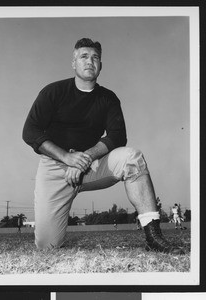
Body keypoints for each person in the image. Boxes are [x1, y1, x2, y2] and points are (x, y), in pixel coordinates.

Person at [23, 38, 184, 254]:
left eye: (95, 57)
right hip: (55, 169)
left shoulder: (108, 98)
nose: (90, 61)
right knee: (47, 245)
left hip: (92, 166)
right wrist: (67, 157)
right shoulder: (53, 91)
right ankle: (51, 234)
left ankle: (153, 237)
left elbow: (118, 135)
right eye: (84, 56)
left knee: (132, 158)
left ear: (101, 65)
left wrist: (84, 158)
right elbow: (30, 131)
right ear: (73, 62)